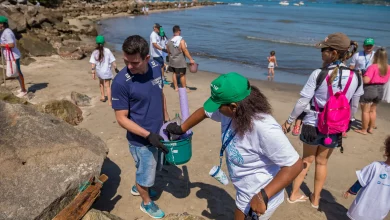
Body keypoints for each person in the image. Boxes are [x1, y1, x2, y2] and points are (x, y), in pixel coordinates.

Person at [166, 72, 303, 220]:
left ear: (233, 107)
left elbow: (295, 164)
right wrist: (182, 129)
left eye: (218, 105)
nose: (216, 109)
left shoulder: (264, 128)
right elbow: (204, 112)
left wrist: (264, 195)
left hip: (258, 193)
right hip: (244, 189)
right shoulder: (228, 112)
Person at [281, 33, 363, 208]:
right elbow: (353, 106)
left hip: (312, 123)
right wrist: (345, 124)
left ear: (332, 52)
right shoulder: (356, 76)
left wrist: (290, 120)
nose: (321, 53)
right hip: (334, 127)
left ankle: (294, 194)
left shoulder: (318, 73)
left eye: (323, 50)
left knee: (307, 160)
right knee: (322, 162)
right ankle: (316, 199)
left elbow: (303, 101)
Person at [111, 35, 170, 219]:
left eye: (134, 62)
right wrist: (147, 135)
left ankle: (140, 185)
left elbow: (160, 94)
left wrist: (166, 121)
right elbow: (121, 118)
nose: (129, 66)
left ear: (147, 58)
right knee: (146, 173)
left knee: (151, 170)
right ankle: (146, 203)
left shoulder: (156, 68)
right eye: (126, 61)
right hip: (140, 140)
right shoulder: (120, 82)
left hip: (158, 133)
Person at [343, 136, 390, 220]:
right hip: (379, 211)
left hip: (363, 207)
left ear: (386, 150)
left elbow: (361, 181)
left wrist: (351, 191)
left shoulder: (376, 166)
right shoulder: (376, 166)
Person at [354, 48, 390, 135]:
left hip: (370, 89)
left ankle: (364, 129)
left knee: (365, 111)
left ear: (376, 56)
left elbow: (366, 80)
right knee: (373, 110)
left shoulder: (373, 67)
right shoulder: (388, 67)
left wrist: (360, 76)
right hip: (381, 89)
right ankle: (371, 128)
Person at [0, 16, 27, 97]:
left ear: (4, 24)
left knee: (18, 73)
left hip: (13, 56)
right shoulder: (2, 31)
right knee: (15, 73)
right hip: (8, 56)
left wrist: (1, 45)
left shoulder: (7, 32)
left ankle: (24, 90)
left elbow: (12, 44)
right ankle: (22, 87)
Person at [89, 35, 118, 106]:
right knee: (108, 86)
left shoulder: (95, 52)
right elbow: (113, 61)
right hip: (107, 72)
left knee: (101, 83)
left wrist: (93, 72)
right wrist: (115, 68)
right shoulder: (107, 51)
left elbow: (93, 64)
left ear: (96, 43)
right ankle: (110, 102)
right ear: (104, 42)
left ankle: (102, 96)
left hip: (99, 71)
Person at [166, 25, 195, 92]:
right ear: (179, 31)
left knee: (174, 73)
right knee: (182, 74)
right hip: (180, 60)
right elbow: (184, 50)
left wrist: (170, 57)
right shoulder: (181, 40)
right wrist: (190, 59)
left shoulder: (169, 40)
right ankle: (184, 88)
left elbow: (168, 50)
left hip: (172, 59)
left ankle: (176, 87)